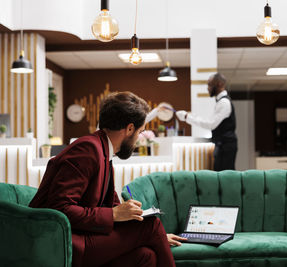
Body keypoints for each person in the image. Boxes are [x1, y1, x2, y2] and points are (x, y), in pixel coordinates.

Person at [29, 92, 185, 267]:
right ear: (130, 129)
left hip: (82, 236)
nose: (137, 141)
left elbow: (110, 204)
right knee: (151, 226)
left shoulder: (103, 151)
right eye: (140, 133)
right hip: (62, 241)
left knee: (146, 256)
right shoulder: (88, 149)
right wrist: (114, 214)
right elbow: (60, 208)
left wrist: (158, 238)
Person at [175, 73, 238, 171]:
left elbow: (211, 124)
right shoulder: (221, 102)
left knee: (225, 178)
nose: (207, 88)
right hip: (222, 145)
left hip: (225, 147)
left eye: (210, 84)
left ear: (220, 84)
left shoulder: (224, 103)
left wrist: (187, 117)